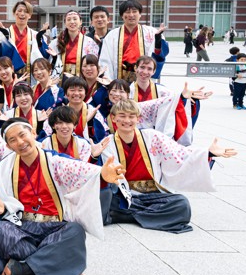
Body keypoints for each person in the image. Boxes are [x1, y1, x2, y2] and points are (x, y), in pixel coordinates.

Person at [0, 118, 123, 275]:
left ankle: (24, 267)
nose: (20, 142)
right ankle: (60, 261)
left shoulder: (55, 161)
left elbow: (83, 172)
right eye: (13, 140)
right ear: (8, 146)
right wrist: (2, 208)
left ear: (33, 133)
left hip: (54, 226)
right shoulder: (4, 168)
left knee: (75, 231)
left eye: (22, 135)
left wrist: (103, 175)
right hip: (23, 226)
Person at [100, 100, 237, 233]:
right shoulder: (107, 144)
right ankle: (141, 215)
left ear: (138, 118)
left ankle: (126, 216)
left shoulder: (152, 137)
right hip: (125, 196)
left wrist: (208, 152)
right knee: (105, 199)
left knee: (181, 204)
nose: (127, 121)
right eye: (122, 116)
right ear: (113, 118)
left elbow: (180, 153)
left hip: (153, 196)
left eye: (131, 116)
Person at [99, 0, 166, 82]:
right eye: (127, 12)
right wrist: (109, 81)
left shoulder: (151, 33)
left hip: (142, 75)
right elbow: (105, 60)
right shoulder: (112, 35)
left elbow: (159, 55)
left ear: (140, 14)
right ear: (122, 15)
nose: (131, 15)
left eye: (134, 12)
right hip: (120, 77)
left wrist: (158, 40)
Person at [47, 10, 99, 77]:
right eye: (68, 19)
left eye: (75, 19)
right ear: (65, 23)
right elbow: (49, 61)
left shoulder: (89, 42)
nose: (72, 22)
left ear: (80, 22)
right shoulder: (56, 42)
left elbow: (94, 62)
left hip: (82, 77)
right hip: (61, 77)